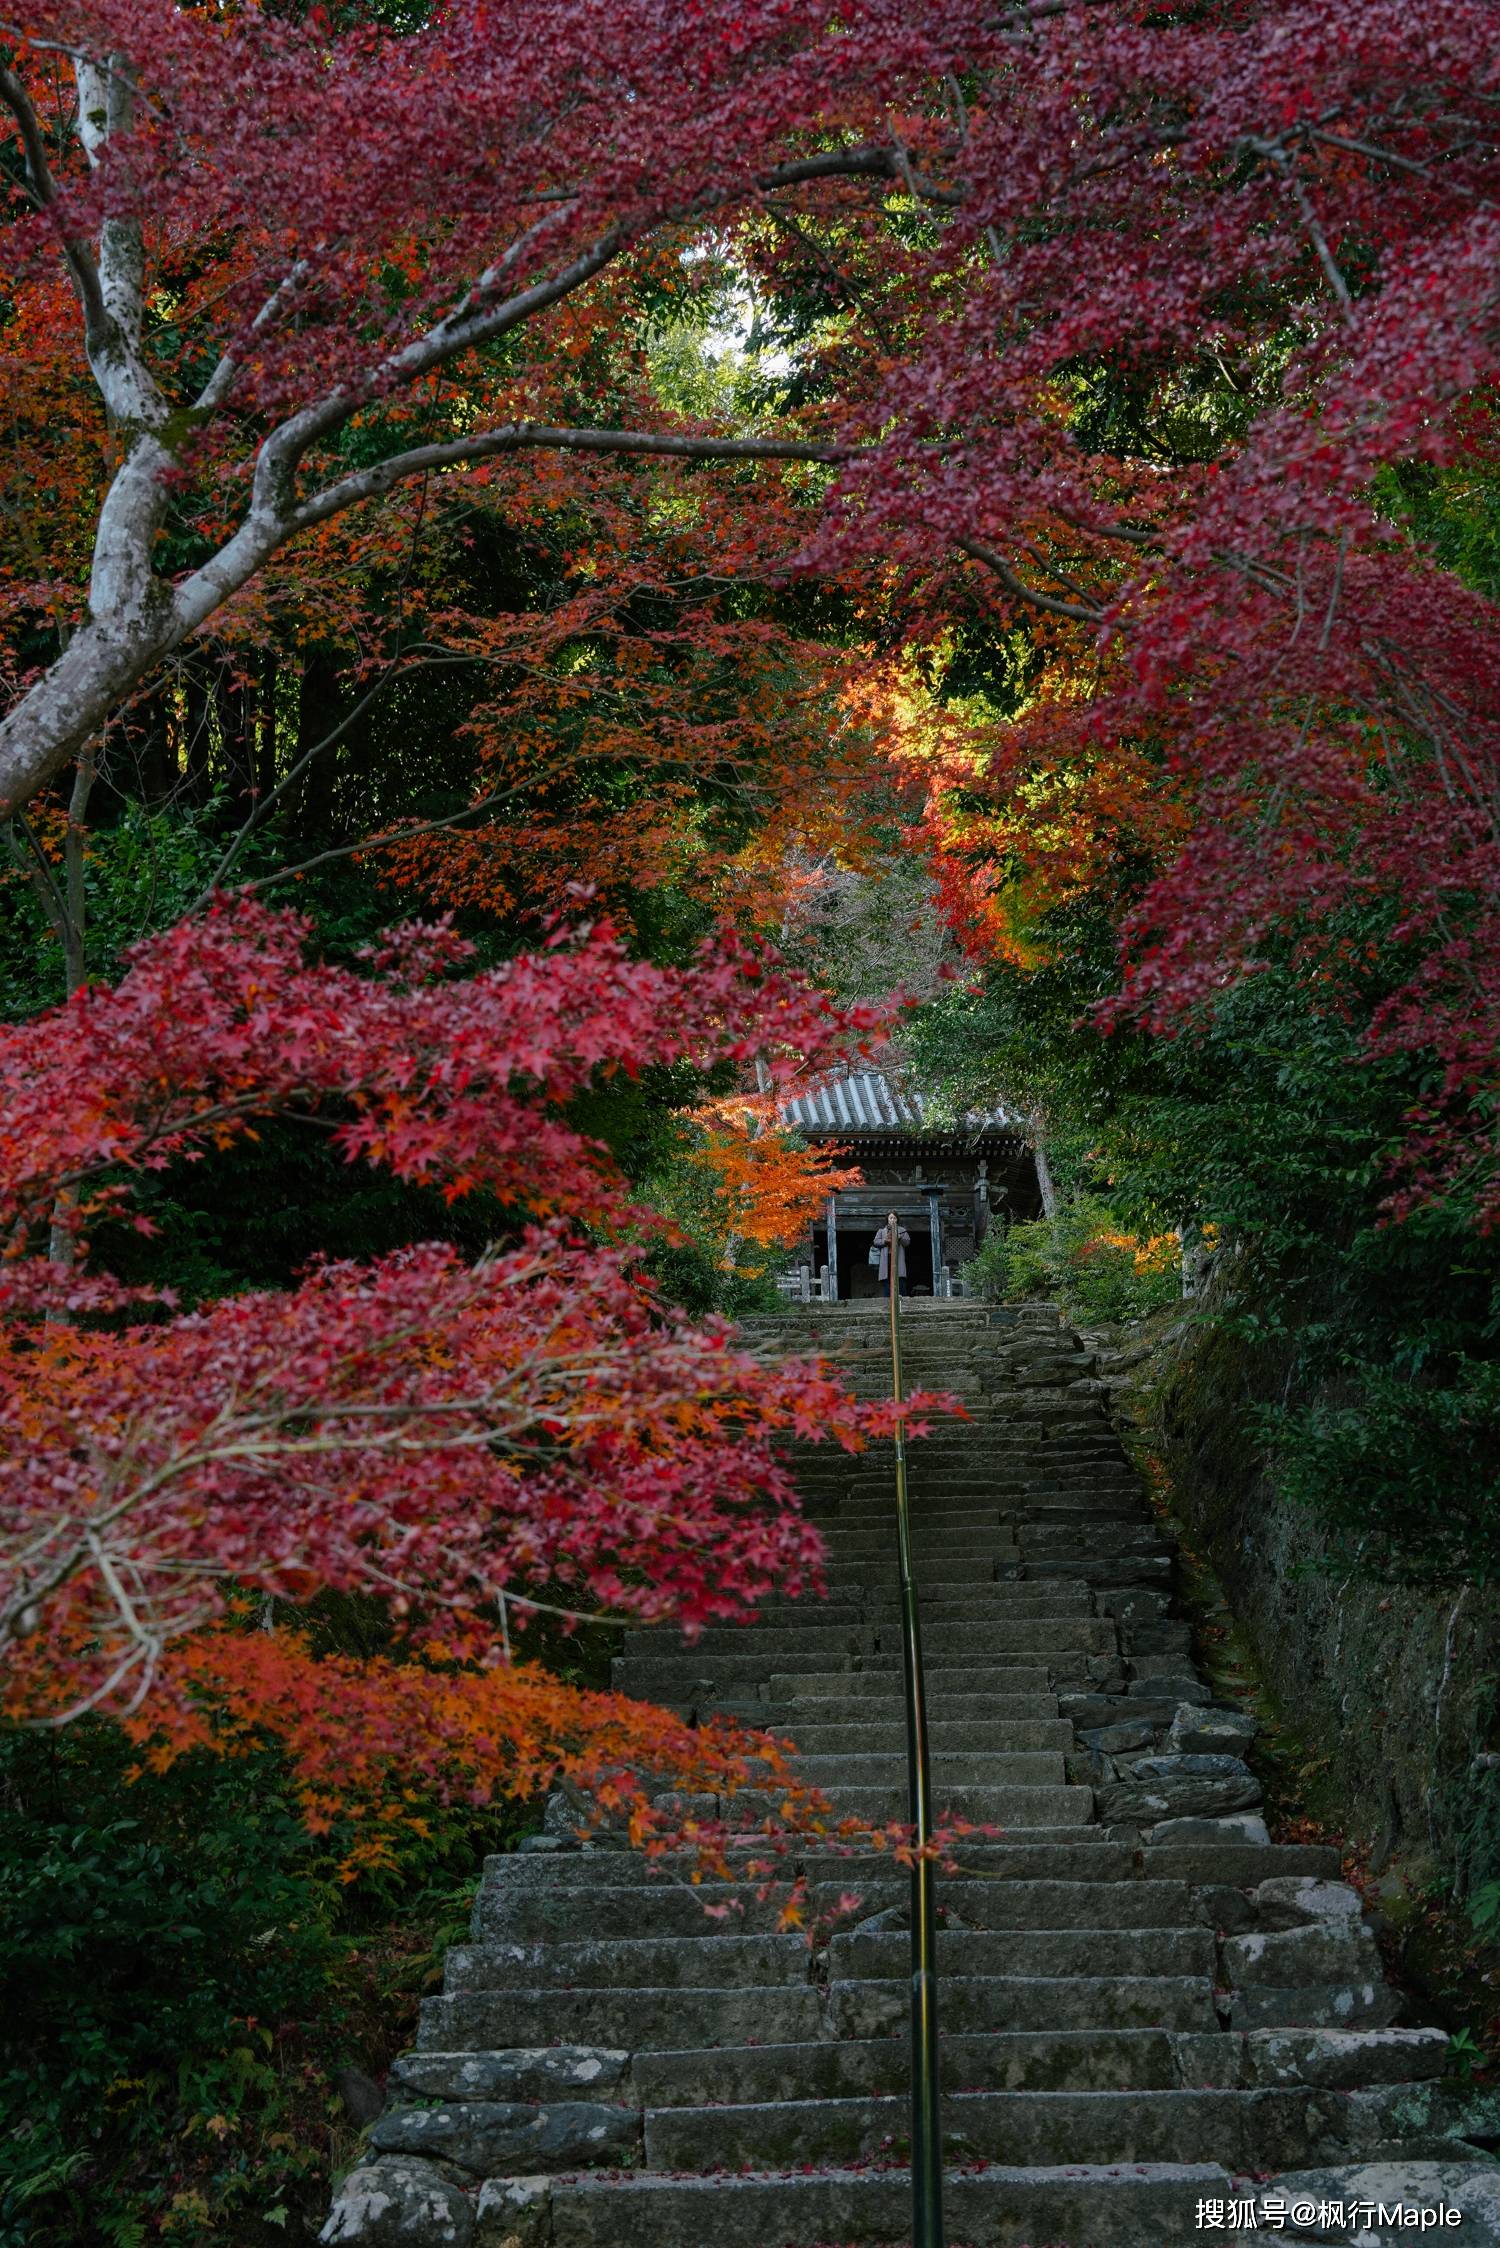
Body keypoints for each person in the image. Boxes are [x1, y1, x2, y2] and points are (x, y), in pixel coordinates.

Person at [874, 1218, 911, 1296]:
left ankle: (902, 1302)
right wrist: (885, 1240)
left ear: (897, 1219)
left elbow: (907, 1242)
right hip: (886, 1259)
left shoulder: (902, 1230)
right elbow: (876, 1242)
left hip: (898, 1258)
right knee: (887, 1283)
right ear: (888, 1219)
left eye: (894, 1218)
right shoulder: (881, 1231)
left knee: (900, 1281)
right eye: (890, 1218)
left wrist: (900, 1238)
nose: (892, 1220)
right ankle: (887, 1302)